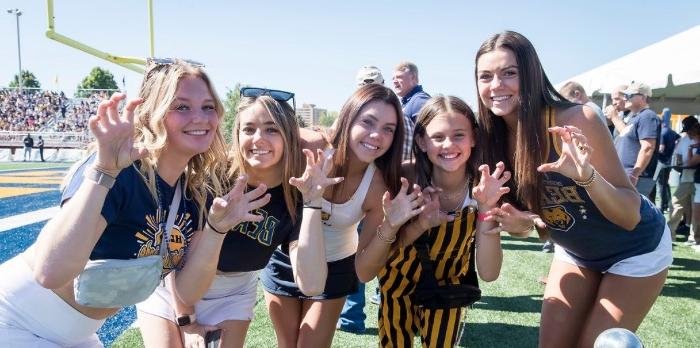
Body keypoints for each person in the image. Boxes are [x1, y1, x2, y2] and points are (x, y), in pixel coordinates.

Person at [0, 59, 251, 347]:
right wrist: (103, 173)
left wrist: (216, 231)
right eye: (181, 106)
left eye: (208, 107)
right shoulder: (120, 170)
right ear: (151, 113)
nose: (201, 117)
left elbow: (187, 292)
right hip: (15, 322)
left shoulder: (193, 191)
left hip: (79, 334)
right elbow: (49, 273)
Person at [474, 31, 671, 348]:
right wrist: (525, 223)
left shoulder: (576, 119)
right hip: (577, 252)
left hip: (636, 249)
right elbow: (539, 222)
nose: (496, 85)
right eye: (486, 76)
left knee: (597, 344)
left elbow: (629, 215)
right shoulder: (489, 139)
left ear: (532, 74)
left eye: (509, 73)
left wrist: (586, 176)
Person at [137, 87, 329, 348]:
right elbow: (176, 257)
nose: (258, 139)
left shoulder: (295, 194)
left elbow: (312, 284)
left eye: (272, 129)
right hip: (172, 285)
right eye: (248, 129)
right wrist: (187, 321)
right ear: (236, 134)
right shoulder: (210, 177)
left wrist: (313, 203)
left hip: (233, 292)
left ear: (288, 137)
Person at [261, 84, 408, 348]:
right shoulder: (311, 147)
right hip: (285, 256)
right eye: (368, 122)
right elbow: (263, 138)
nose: (377, 135)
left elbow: (364, 272)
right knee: (286, 344)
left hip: (336, 267)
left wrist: (391, 226)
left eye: (388, 129)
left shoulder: (378, 187)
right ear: (348, 118)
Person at [357, 95, 508, 347]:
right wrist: (418, 224)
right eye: (437, 137)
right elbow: (377, 260)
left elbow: (490, 273)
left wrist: (486, 209)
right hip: (397, 283)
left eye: (459, 135)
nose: (448, 145)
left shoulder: (484, 185)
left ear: (474, 138)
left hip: (449, 286)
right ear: (421, 141)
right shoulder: (402, 178)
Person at [337, 66, 387, 333]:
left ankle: (352, 317)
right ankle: (353, 317)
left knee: (363, 255)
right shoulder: (352, 112)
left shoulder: (391, 113)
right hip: (358, 196)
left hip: (375, 195)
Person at [612, 82, 661, 198]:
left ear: (643, 97)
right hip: (627, 175)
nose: (625, 98)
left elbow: (647, 147)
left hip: (637, 178)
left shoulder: (647, 116)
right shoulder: (635, 117)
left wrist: (634, 175)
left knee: (636, 213)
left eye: (629, 95)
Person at [667, 115, 698, 242]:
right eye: (687, 131)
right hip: (686, 178)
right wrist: (678, 164)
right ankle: (670, 233)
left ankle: (694, 237)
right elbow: (678, 157)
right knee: (675, 204)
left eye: (690, 130)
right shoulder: (683, 140)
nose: (688, 133)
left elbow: (692, 162)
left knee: (695, 209)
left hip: (695, 178)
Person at [392, 61, 430, 162]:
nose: (394, 81)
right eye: (393, 78)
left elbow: (428, 137)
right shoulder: (407, 103)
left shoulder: (420, 101)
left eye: (399, 77)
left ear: (413, 77)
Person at [655, 109, 680, 213]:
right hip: (668, 161)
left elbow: (661, 148)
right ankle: (667, 203)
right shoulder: (672, 132)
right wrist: (674, 149)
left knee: (660, 185)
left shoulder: (662, 133)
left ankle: (663, 205)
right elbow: (680, 139)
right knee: (665, 184)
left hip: (661, 161)